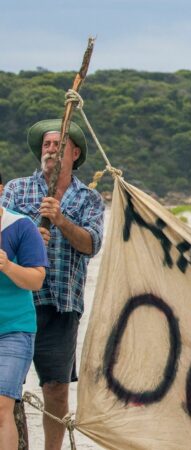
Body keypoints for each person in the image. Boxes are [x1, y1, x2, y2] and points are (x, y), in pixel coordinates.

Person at [0, 119, 105, 450]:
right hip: (17, 301)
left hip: (61, 302)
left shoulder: (88, 198)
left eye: (58, 145)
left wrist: (61, 220)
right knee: (8, 388)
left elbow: (92, 244)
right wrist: (34, 231)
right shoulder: (16, 189)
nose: (50, 150)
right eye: (46, 145)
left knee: (56, 387)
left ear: (74, 153)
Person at [0, 205, 48, 448]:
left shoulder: (21, 226)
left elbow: (37, 280)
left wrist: (7, 266)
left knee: (1, 407)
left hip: (13, 329)